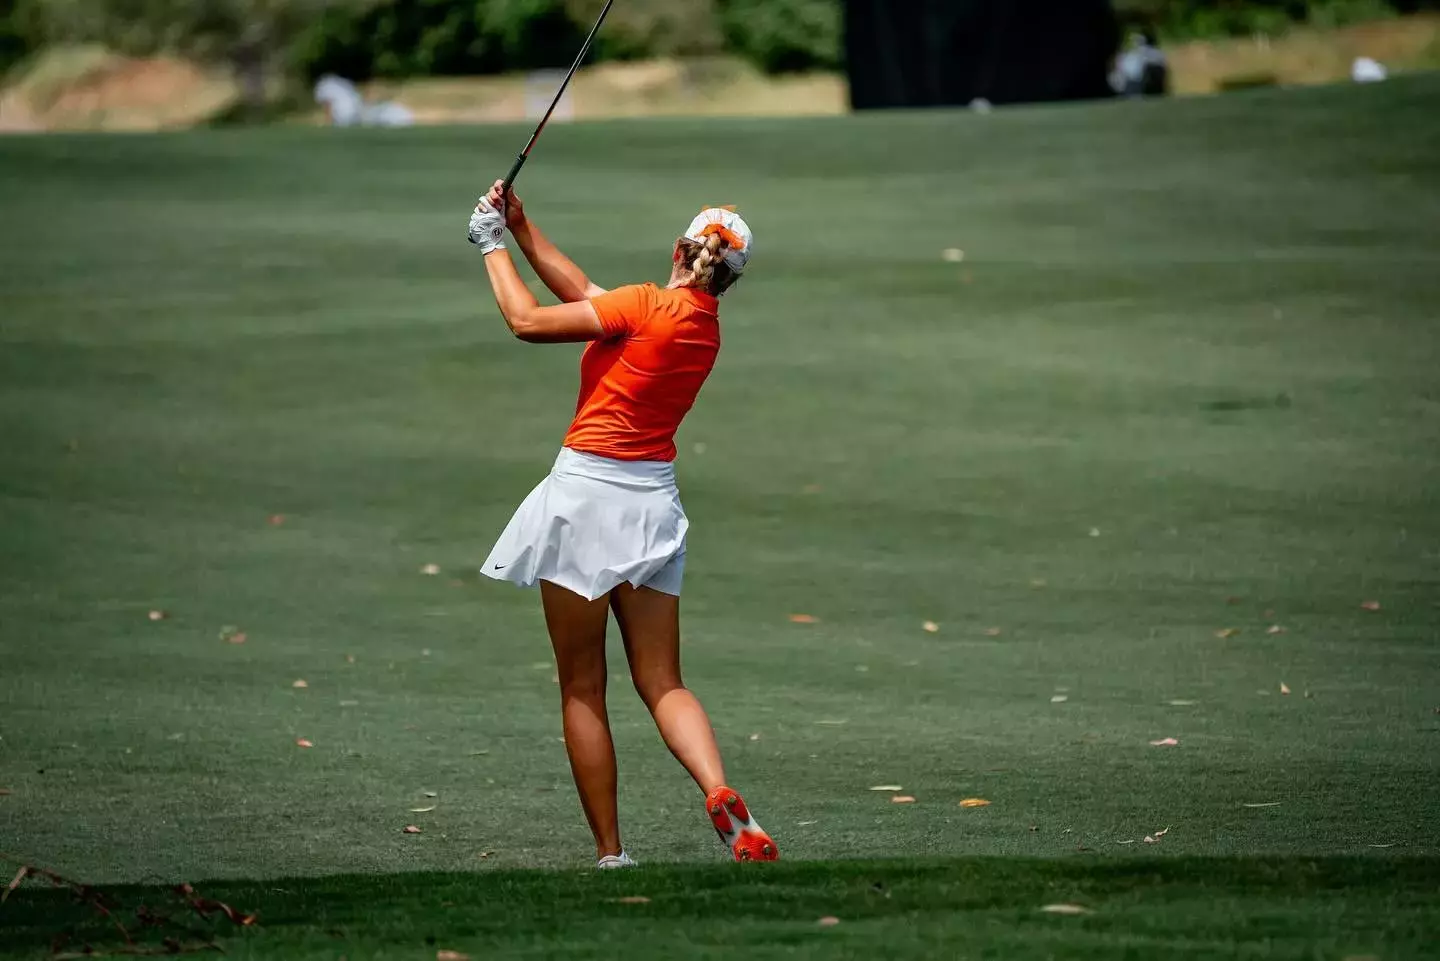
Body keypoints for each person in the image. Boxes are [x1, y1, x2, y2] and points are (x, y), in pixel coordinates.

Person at [465, 180, 778, 868]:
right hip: (653, 508)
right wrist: (521, 228)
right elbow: (582, 289)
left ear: (679, 248)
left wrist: (488, 246)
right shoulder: (698, 327)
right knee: (663, 681)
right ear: (727, 279)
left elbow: (526, 320)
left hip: (585, 501)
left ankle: (612, 853)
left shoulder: (642, 305)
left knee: (583, 686)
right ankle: (720, 789)